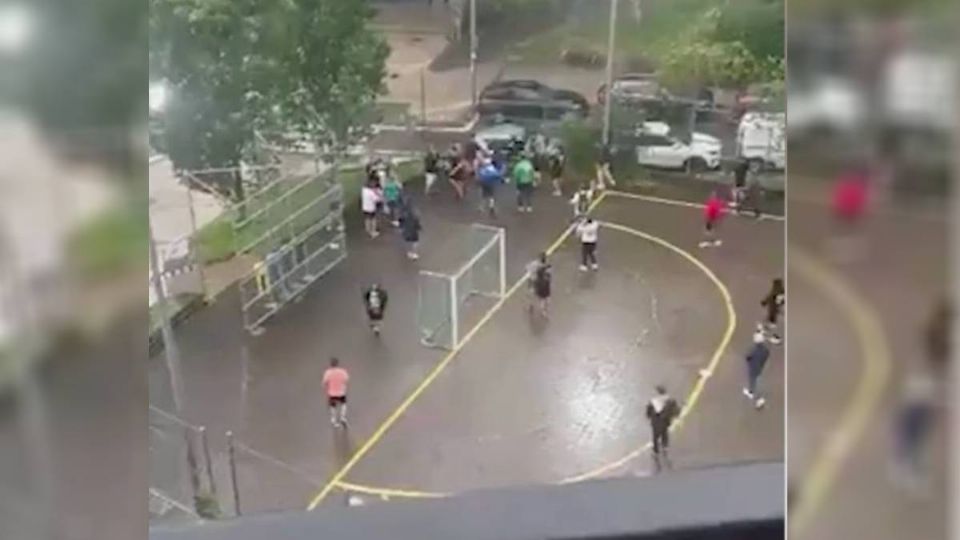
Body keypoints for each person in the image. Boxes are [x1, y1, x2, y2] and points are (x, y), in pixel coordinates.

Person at [646, 385, 680, 468]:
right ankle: (664, 448)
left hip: (655, 421)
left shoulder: (653, 400)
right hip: (664, 421)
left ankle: (656, 451)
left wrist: (650, 417)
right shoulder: (669, 400)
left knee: (656, 436)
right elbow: (675, 410)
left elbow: (648, 412)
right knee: (664, 434)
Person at [743, 325, 771, 409]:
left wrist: (748, 360)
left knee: (753, 380)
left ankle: (757, 396)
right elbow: (766, 355)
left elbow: (748, 356)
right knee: (757, 380)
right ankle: (753, 393)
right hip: (760, 367)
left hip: (753, 367)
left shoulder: (754, 350)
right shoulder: (765, 350)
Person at [322, 357, 350, 427]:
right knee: (343, 404)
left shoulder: (328, 373)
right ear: (337, 364)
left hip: (332, 393)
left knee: (333, 406)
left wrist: (327, 387)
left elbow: (324, 382)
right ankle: (342, 417)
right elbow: (346, 380)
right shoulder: (342, 371)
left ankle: (334, 420)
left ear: (331, 365)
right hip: (341, 392)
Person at [760, 278, 785, 344]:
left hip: (773, 306)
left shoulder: (774, 290)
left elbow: (769, 297)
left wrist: (764, 302)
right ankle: (770, 327)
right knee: (774, 316)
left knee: (771, 316)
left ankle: (768, 330)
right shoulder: (782, 290)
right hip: (777, 306)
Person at [527, 252, 552, 317]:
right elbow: (549, 276)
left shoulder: (534, 264)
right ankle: (543, 311)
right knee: (543, 299)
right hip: (541, 284)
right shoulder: (547, 267)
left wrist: (531, 275)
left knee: (532, 293)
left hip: (534, 281)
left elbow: (528, 268)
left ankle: (531, 305)